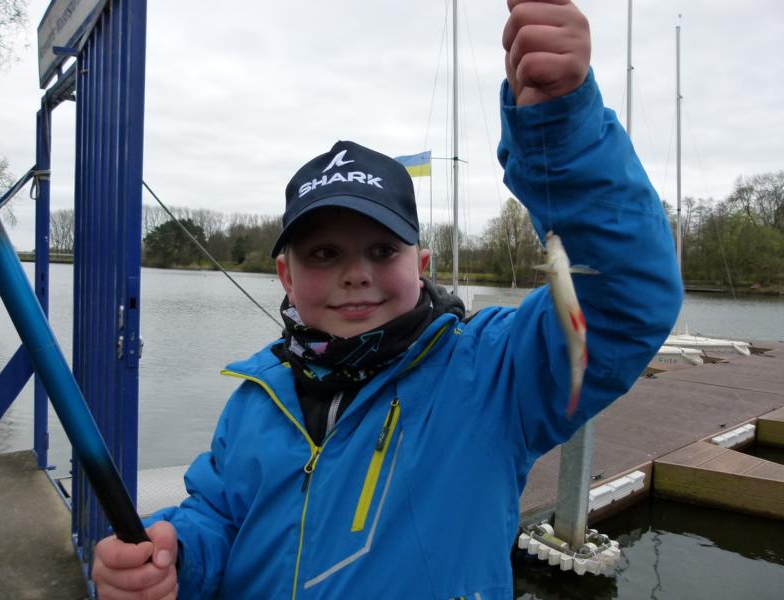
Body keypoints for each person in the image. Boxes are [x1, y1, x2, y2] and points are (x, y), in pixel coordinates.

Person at [93, 1, 683, 598]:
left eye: (381, 250)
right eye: (324, 254)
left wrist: (562, 128)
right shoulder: (255, 397)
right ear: (285, 276)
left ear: (421, 267)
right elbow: (219, 518)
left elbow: (627, 295)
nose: (356, 274)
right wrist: (175, 558)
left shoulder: (494, 376)